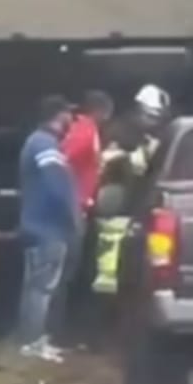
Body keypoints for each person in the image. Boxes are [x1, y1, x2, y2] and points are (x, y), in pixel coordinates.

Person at [15, 95, 81, 362]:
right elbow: (57, 185)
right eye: (68, 114)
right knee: (41, 288)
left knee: (37, 287)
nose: (71, 120)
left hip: (39, 226)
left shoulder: (40, 142)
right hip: (47, 228)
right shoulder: (45, 144)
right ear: (58, 114)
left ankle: (35, 340)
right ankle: (32, 342)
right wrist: (72, 216)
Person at [92, 84, 172, 298]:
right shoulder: (118, 130)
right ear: (138, 110)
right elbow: (101, 160)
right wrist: (126, 158)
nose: (154, 122)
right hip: (118, 198)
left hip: (145, 199)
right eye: (151, 116)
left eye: (158, 117)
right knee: (111, 246)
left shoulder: (161, 134)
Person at [54, 90, 115, 346]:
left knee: (69, 272)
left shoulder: (87, 130)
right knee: (64, 274)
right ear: (100, 111)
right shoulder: (85, 131)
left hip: (78, 208)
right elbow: (62, 160)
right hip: (74, 210)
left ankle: (58, 331)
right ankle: (54, 332)